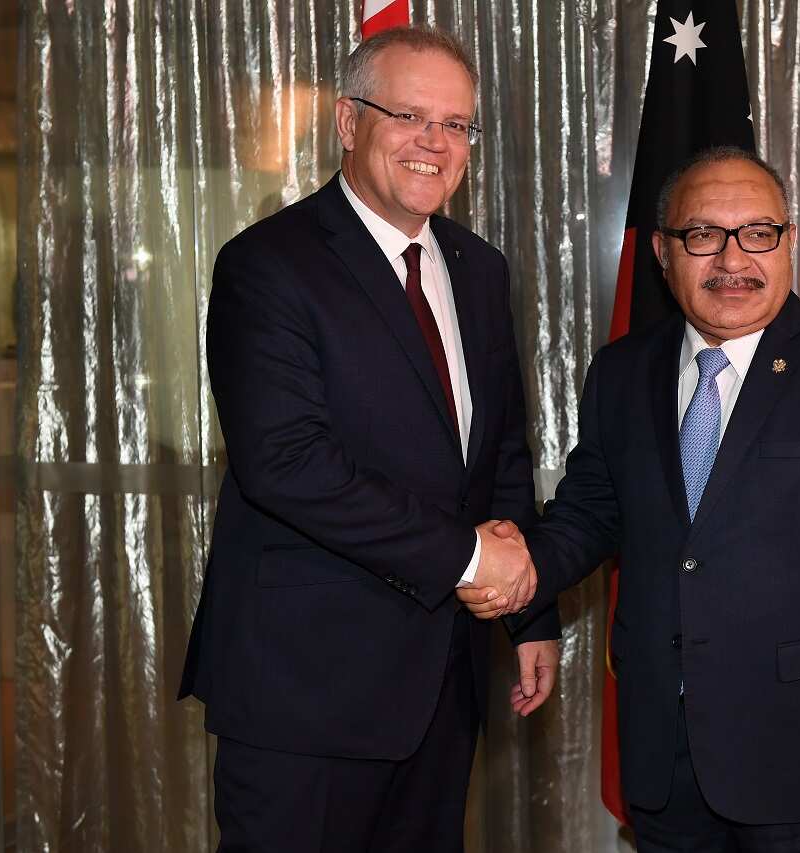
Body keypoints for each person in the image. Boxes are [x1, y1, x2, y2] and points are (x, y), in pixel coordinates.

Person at [462, 147, 800, 852]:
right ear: (663, 251)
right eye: (703, 235)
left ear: (788, 243)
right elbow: (591, 512)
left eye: (758, 232)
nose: (732, 259)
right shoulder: (623, 371)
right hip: (666, 754)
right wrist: (514, 567)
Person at [179, 26, 560, 852]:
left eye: (456, 124)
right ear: (349, 123)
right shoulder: (267, 265)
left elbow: (498, 453)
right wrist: (469, 557)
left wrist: (529, 614)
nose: (435, 142)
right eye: (409, 115)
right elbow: (286, 464)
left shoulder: (480, 269)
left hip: (441, 687)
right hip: (304, 697)